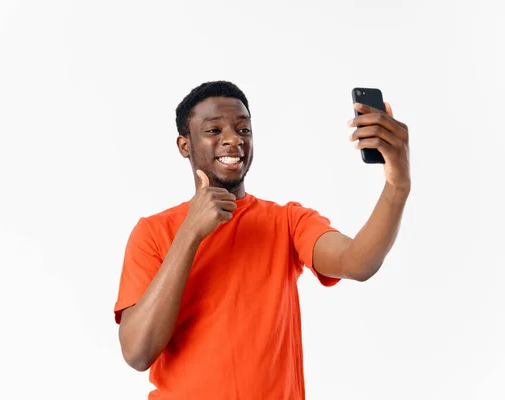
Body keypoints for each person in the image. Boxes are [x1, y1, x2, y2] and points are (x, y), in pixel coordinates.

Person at [113, 81, 410, 399]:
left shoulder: (287, 222)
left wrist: (397, 183)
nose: (233, 139)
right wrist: (190, 233)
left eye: (243, 129)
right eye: (214, 131)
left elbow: (358, 261)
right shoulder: (153, 232)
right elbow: (137, 353)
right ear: (185, 145)